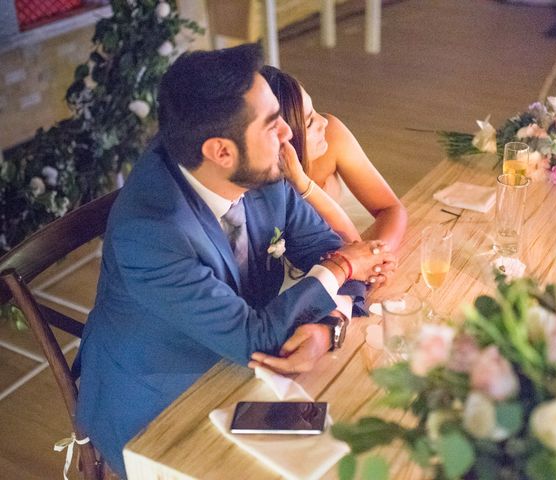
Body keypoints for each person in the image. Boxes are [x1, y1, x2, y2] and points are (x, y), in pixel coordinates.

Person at [74, 44, 395, 477]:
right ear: (220, 151)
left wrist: (328, 325)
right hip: (159, 398)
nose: (287, 134)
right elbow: (257, 334)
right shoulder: (152, 231)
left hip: (242, 363)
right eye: (271, 124)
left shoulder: (257, 166)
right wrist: (340, 270)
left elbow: (327, 246)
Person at [261, 66, 407, 251]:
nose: (324, 121)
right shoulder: (262, 185)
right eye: (310, 122)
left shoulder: (331, 135)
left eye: (315, 110)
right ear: (282, 135)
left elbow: (390, 208)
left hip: (362, 236)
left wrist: (379, 256)